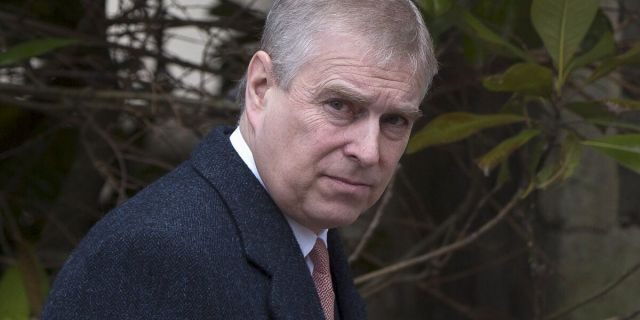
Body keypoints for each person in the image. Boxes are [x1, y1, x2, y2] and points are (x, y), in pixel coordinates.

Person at [42, 0, 437, 319]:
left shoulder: (310, 235)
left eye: (395, 120)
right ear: (261, 88)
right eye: (340, 105)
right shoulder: (160, 256)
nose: (368, 151)